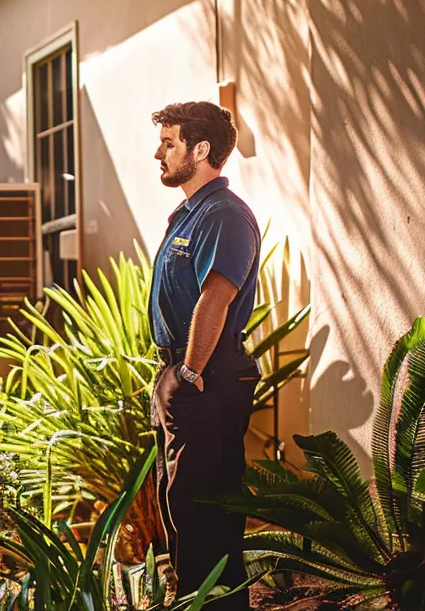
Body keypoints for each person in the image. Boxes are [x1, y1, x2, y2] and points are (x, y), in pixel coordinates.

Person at [146, 100, 261, 610]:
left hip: (208, 377)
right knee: (180, 503)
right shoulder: (192, 213)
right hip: (185, 373)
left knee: (204, 508)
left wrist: (189, 371)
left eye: (168, 143)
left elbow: (215, 297)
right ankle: (193, 601)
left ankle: (215, 605)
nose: (159, 153)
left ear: (202, 149)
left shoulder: (224, 216)